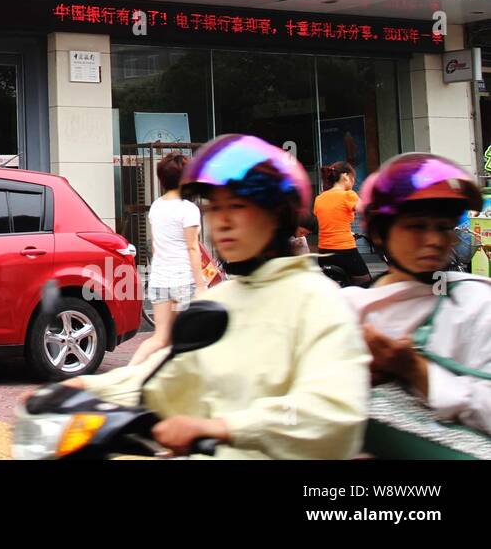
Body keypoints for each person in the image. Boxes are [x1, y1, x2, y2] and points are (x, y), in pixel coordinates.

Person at [64, 134, 370, 459]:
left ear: (277, 215)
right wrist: (88, 388)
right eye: (214, 208)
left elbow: (332, 413)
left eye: (237, 207)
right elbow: (166, 374)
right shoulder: (221, 299)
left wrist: (221, 427)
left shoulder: (318, 300)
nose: (221, 221)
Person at [342, 153, 491, 435]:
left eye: (443, 228)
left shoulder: (476, 301)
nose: (434, 240)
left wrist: (415, 370)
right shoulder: (348, 307)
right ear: (380, 233)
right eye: (417, 226)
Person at [129, 153, 208, 366]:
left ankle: (130, 373)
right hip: (184, 280)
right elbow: (192, 247)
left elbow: (155, 245)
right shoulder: (188, 209)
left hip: (160, 279)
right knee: (192, 339)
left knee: (161, 338)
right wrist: (201, 285)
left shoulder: (156, 206)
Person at [314, 160, 372, 287]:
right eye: (353, 178)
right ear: (346, 176)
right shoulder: (348, 195)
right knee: (366, 284)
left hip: (323, 253)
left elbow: (330, 221)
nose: (353, 182)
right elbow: (367, 212)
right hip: (345, 252)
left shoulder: (319, 198)